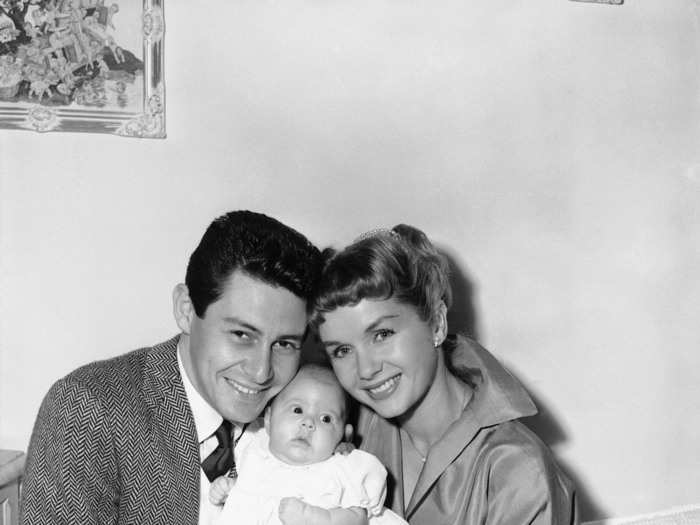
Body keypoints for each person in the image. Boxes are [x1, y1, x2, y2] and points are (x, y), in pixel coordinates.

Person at [20, 210, 332, 525]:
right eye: (241, 335)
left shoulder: (305, 416)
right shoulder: (88, 407)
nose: (262, 372)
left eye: (284, 344)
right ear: (186, 310)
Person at [311, 225, 579, 524]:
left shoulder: (520, 473)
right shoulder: (340, 430)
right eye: (342, 351)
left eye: (382, 334)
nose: (366, 369)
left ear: (437, 324)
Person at [211, 364, 407, 525]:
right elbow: (254, 495)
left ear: (343, 435)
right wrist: (231, 490)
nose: (308, 422)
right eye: (297, 410)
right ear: (269, 419)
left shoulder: (341, 469)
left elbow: (359, 518)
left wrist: (314, 517)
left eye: (325, 418)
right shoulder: (255, 450)